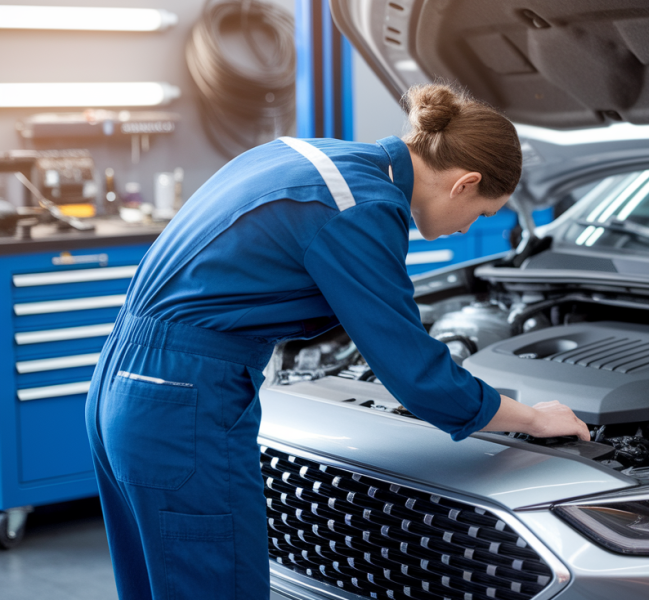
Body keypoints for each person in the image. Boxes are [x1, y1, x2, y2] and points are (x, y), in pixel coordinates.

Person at [84, 83, 589, 600]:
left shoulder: (312, 156)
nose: (468, 230)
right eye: (482, 213)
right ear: (465, 183)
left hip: (123, 384)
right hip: (184, 401)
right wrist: (532, 418)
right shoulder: (362, 207)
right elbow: (418, 375)